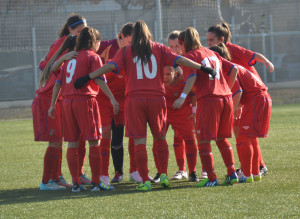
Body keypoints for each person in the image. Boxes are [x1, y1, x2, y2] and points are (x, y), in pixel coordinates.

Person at [74, 20, 216, 191]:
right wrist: (203, 68)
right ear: (148, 33)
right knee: (160, 138)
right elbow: (181, 60)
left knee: (139, 141)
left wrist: (88, 77)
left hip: (135, 100)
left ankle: (145, 180)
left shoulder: (126, 50)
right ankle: (163, 174)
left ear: (133, 36)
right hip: (157, 99)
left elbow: (110, 66)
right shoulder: (159, 48)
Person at [48, 26, 119, 192]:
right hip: (86, 102)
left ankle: (76, 184)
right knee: (94, 141)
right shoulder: (92, 57)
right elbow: (100, 80)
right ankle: (96, 183)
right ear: (94, 41)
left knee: (72, 143)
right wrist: (112, 98)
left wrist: (52, 105)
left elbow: (58, 84)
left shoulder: (70, 59)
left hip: (67, 104)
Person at [173, 27, 239, 187]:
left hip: (209, 100)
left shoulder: (190, 56)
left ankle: (211, 177)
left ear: (183, 43)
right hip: (226, 98)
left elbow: (192, 78)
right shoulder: (212, 53)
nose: (179, 48)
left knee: (203, 140)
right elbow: (234, 69)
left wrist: (182, 96)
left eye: (179, 44)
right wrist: (226, 90)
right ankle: (232, 173)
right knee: (222, 139)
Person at [206, 22, 274, 175]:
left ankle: (251, 169)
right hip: (245, 95)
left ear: (221, 40)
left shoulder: (230, 51)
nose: (208, 44)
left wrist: (268, 62)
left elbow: (253, 56)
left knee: (244, 134)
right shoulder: (218, 57)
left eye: (211, 40)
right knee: (245, 134)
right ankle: (253, 168)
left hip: (249, 94)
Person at [34, 14, 87, 190]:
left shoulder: (79, 45)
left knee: (67, 138)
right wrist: (61, 60)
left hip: (63, 98)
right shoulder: (62, 43)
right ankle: (47, 181)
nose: (82, 33)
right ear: (71, 30)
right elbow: (44, 65)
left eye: (84, 30)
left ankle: (60, 177)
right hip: (50, 97)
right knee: (56, 140)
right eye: (80, 30)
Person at [95, 22, 142, 184]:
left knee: (130, 134)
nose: (133, 45)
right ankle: (104, 174)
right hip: (104, 97)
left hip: (126, 98)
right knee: (106, 134)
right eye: (131, 41)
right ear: (122, 36)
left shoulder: (137, 50)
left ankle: (134, 171)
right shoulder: (104, 47)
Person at [152, 66, 198, 182]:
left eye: (168, 74)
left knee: (190, 139)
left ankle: (192, 172)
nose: (165, 78)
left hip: (182, 111)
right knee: (157, 140)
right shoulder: (155, 79)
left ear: (176, 73)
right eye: (163, 74)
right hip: (164, 111)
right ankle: (161, 173)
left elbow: (193, 94)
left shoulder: (184, 80)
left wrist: (194, 112)